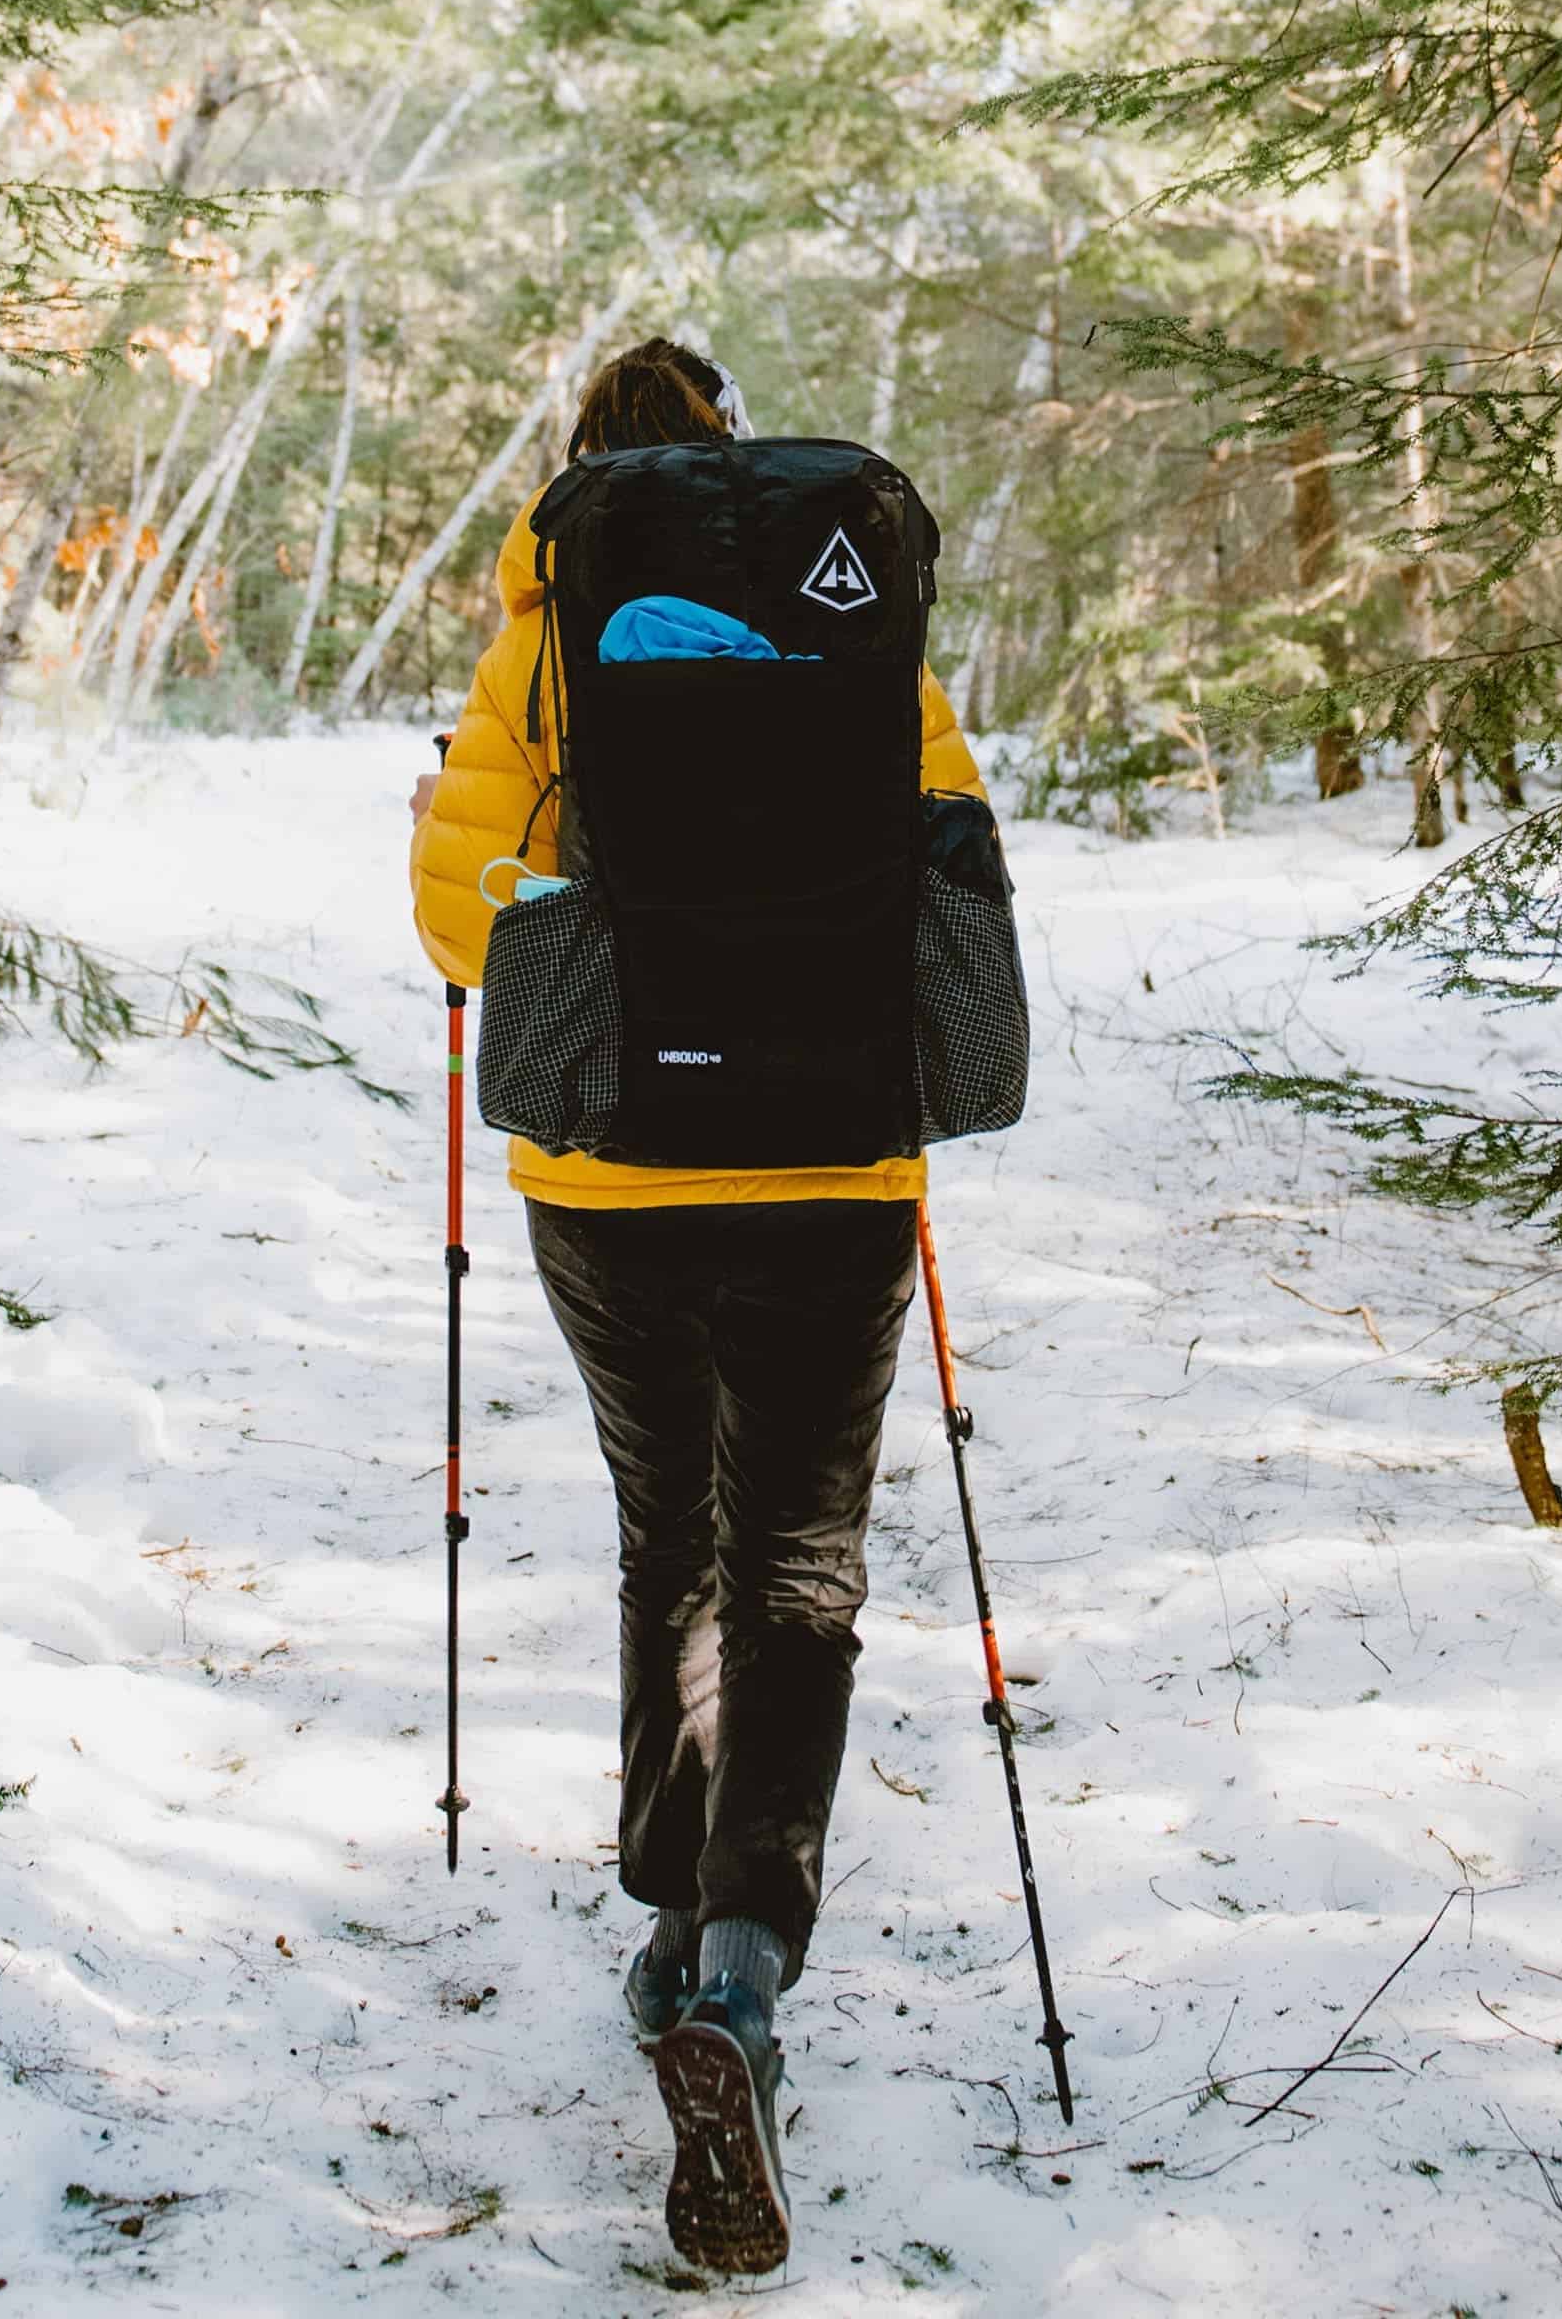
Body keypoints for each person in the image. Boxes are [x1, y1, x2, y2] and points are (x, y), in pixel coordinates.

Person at [406, 337, 985, 2277]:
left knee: (674, 1531)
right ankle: (743, 1969)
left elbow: (450, 909)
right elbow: (953, 852)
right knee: (797, 1556)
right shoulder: (849, 613)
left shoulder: (553, 625)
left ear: (578, 470)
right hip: (833, 1170)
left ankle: (667, 1921)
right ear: (737, 463)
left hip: (611, 1180)